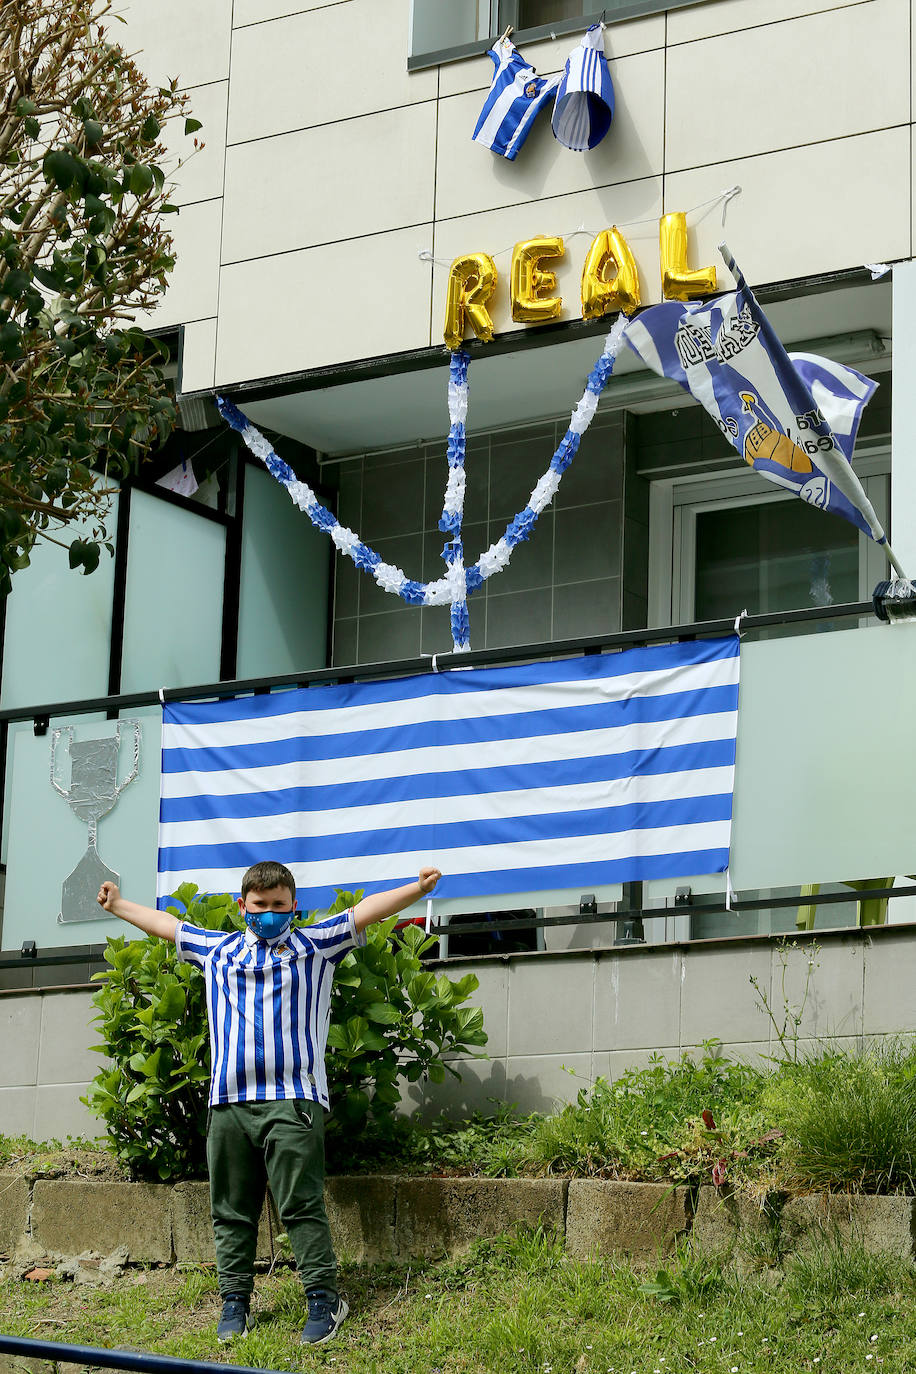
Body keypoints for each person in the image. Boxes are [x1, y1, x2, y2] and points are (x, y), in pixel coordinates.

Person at [97, 860, 441, 1346]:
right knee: (231, 1210)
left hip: (293, 1100)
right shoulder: (217, 950)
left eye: (279, 905)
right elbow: (167, 925)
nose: (269, 913)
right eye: (260, 905)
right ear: (243, 906)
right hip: (229, 1103)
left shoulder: (317, 946)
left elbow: (365, 912)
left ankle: (324, 1300)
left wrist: (417, 889)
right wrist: (117, 905)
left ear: (293, 906)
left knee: (301, 1206)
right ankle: (234, 1303)